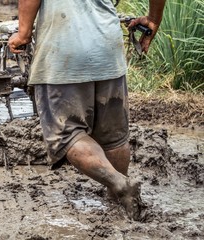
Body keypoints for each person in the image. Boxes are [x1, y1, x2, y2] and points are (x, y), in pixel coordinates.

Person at [9, 0, 166, 220]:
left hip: (62, 49)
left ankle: (120, 185)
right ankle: (119, 205)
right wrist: (153, 19)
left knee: (67, 135)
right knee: (113, 138)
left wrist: (23, 34)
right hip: (107, 48)